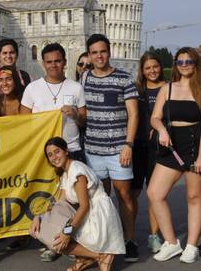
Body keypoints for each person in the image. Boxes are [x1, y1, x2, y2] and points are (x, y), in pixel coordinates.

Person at [20, 43, 87, 259]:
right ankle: (54, 241)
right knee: (50, 198)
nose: (53, 65)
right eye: (49, 62)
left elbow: (85, 121)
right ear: (43, 63)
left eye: (57, 61)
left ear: (65, 62)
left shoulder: (75, 88)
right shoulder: (32, 89)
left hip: (72, 151)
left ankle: (75, 242)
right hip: (45, 154)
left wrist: (75, 114)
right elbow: (23, 122)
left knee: (74, 201)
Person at [148, 47, 201, 263]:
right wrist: (162, 130)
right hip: (171, 144)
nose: (184, 65)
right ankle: (172, 242)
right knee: (155, 193)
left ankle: (192, 245)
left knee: (194, 197)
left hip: (195, 145)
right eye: (180, 62)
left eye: (189, 61)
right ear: (176, 65)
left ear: (196, 64)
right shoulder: (167, 88)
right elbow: (155, 118)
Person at [81, 34, 140, 262]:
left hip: (118, 149)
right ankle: (105, 240)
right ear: (89, 55)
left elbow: (133, 114)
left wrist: (128, 145)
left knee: (124, 195)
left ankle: (129, 240)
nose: (99, 56)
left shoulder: (124, 79)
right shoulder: (84, 78)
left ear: (109, 52)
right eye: (94, 52)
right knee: (100, 198)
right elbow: (83, 112)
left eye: (102, 51)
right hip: (93, 150)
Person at [30, 137, 125, 271]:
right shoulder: (65, 173)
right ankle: (91, 257)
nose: (54, 157)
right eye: (50, 155)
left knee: (59, 241)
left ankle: (99, 256)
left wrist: (67, 232)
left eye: (57, 152)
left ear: (66, 151)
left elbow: (85, 206)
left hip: (98, 215)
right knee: (48, 235)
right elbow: (60, 203)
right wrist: (39, 217)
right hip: (87, 213)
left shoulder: (76, 170)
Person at [134, 51, 166, 254]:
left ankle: (154, 236)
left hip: (158, 148)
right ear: (142, 71)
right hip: (138, 147)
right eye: (148, 68)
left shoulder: (168, 88)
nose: (152, 71)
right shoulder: (137, 90)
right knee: (133, 193)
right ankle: (128, 236)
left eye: (155, 67)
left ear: (160, 67)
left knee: (155, 194)